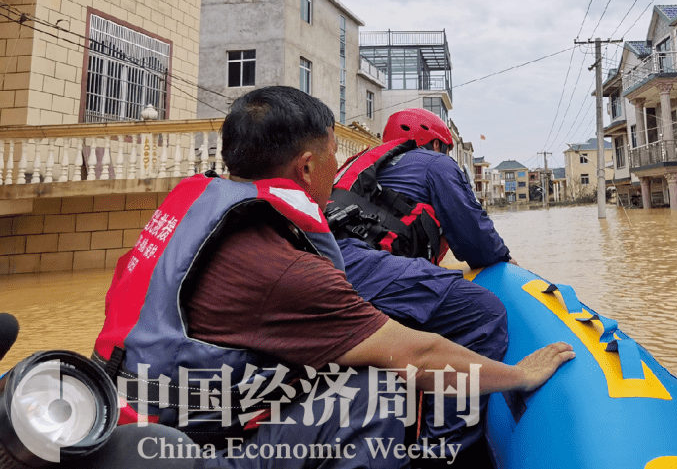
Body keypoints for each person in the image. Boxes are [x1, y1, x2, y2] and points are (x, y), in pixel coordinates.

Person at [93, 87, 574, 468]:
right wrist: (518, 375)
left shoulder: (201, 212)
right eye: (330, 156)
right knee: (384, 389)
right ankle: (441, 459)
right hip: (185, 445)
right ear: (306, 167)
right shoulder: (283, 268)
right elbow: (419, 352)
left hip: (132, 412)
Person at [333, 108, 514, 462]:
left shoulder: (358, 167)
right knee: (483, 313)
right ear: (433, 143)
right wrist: (504, 261)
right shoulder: (436, 164)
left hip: (325, 263)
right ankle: (444, 452)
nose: (444, 156)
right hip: (360, 266)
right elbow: (477, 242)